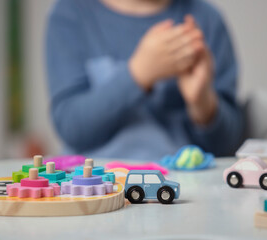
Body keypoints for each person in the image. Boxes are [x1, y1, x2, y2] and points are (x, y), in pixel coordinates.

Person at [46, 0, 244, 160]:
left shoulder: (206, 19)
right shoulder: (70, 13)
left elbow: (227, 146)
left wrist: (202, 102)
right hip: (92, 185)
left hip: (184, 185)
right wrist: (139, 74)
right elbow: (71, 126)